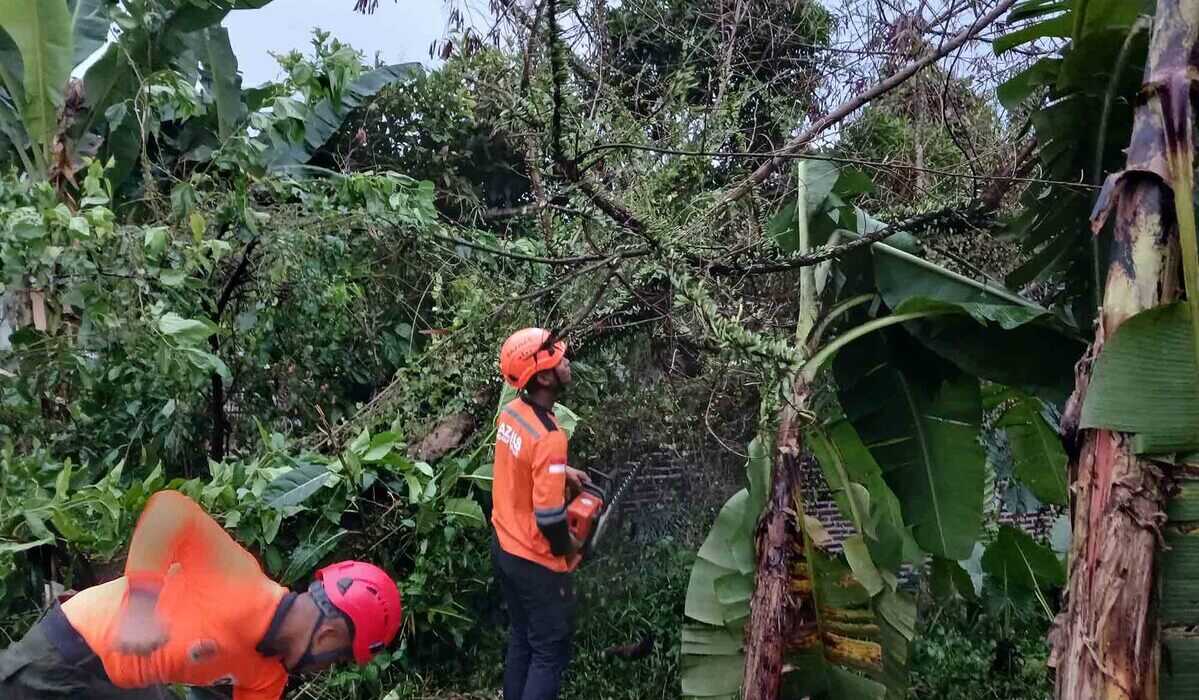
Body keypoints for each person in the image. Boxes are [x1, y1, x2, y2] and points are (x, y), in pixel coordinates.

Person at [0, 490, 402, 699]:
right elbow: (169, 511)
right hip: (67, 653)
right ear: (329, 636)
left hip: (127, 687)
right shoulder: (241, 579)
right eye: (340, 659)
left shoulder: (267, 678)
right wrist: (140, 607)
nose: (325, 669)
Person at [491, 327, 592, 700]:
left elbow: (519, 462)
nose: (566, 361)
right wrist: (571, 545)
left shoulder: (512, 413)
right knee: (549, 650)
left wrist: (561, 471)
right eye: (559, 358)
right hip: (535, 562)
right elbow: (550, 518)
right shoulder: (551, 436)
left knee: (522, 637)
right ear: (546, 376)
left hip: (504, 548)